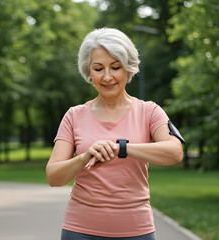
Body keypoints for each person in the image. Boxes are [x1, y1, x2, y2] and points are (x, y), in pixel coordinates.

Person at [46, 27, 184, 240]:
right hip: (80, 230)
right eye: (98, 68)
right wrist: (84, 157)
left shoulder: (149, 111)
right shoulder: (74, 116)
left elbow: (175, 152)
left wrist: (121, 148)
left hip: (137, 231)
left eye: (116, 67)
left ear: (128, 68)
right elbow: (53, 177)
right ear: (88, 72)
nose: (108, 77)